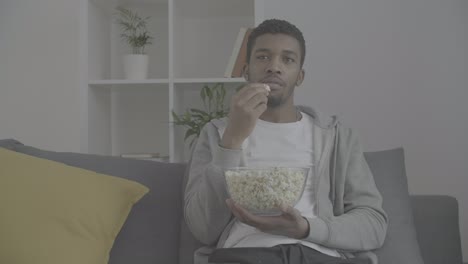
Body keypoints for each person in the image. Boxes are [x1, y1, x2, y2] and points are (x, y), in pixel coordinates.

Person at [184, 19, 388, 264]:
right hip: (245, 254)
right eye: (263, 57)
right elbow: (202, 229)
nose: (274, 67)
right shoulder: (216, 133)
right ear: (246, 70)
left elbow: (374, 225)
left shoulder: (336, 136)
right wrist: (232, 140)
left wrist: (305, 228)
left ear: (299, 76)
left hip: (319, 255)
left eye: (288, 59)